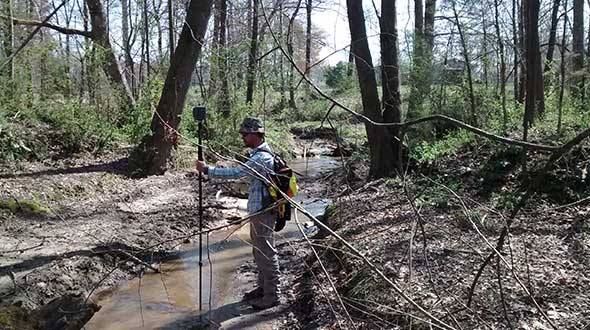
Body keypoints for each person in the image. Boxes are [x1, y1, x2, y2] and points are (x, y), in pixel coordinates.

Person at [195, 117, 280, 310]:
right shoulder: (259, 154)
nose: (242, 137)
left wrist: (208, 170)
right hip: (260, 210)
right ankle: (263, 288)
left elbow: (239, 173)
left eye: (245, 134)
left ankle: (272, 295)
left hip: (264, 211)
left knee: (266, 252)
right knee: (259, 250)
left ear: (256, 134)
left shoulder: (262, 157)